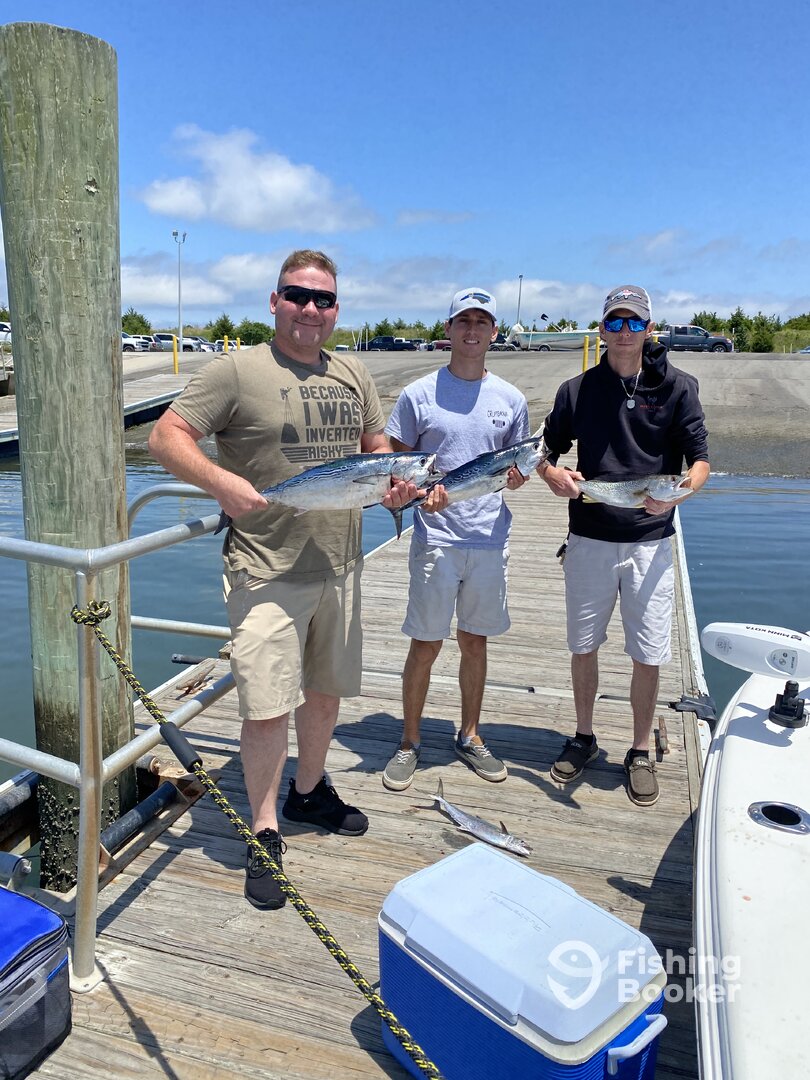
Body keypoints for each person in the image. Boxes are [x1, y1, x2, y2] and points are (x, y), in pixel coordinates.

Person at [148, 250, 418, 910]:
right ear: (275, 302)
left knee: (324, 692)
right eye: (298, 295)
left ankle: (309, 791)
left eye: (324, 299)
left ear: (337, 310)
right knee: (267, 706)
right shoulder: (237, 370)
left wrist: (398, 483)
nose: (310, 309)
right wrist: (221, 482)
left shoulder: (354, 372)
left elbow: (376, 452)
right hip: (265, 569)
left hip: (340, 565)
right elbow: (166, 437)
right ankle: (264, 827)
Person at [537, 285, 710, 807]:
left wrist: (678, 495)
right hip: (589, 537)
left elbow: (700, 461)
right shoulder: (576, 390)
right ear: (602, 330)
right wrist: (552, 475)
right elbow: (545, 451)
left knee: (648, 652)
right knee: (583, 645)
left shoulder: (678, 387)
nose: (624, 331)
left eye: (634, 322)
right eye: (615, 322)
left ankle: (638, 750)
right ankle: (584, 736)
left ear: (649, 329)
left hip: (650, 543)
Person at [381, 288, 531, 792]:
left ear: (494, 332)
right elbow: (396, 468)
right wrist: (412, 496)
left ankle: (470, 735)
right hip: (436, 538)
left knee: (474, 642)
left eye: (481, 322)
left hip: (489, 538)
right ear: (447, 329)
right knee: (425, 644)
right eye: (463, 321)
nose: (471, 330)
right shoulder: (418, 394)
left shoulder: (511, 400)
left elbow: (514, 466)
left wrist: (517, 479)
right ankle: (409, 740)